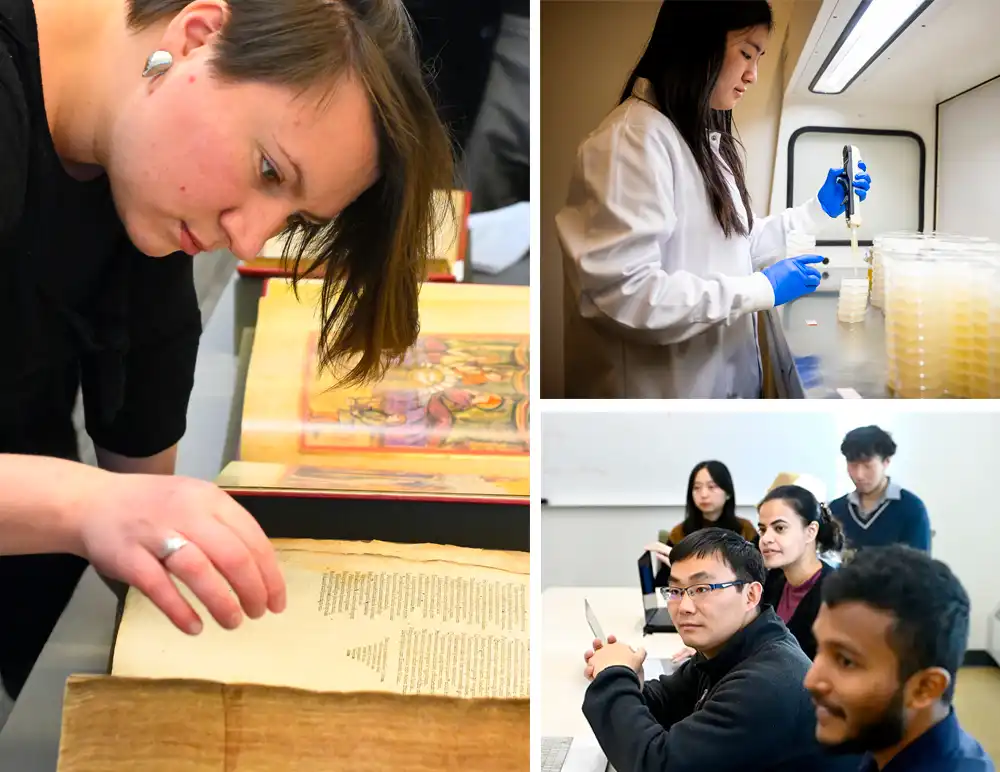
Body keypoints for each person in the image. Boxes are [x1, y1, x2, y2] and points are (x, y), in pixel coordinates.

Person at [0, 0, 453, 700]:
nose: (248, 240)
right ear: (198, 36)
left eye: (293, 216)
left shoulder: (146, 189)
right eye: (270, 170)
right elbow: (114, 503)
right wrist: (85, 506)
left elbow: (145, 477)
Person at [555, 0, 873, 399]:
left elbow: (737, 244)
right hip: (656, 401)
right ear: (697, 44)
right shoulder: (631, 142)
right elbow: (627, 295)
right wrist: (761, 289)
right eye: (746, 53)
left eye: (759, 58)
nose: (753, 75)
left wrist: (818, 210)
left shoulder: (698, 139)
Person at [581, 528, 859, 772]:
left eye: (702, 589)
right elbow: (668, 702)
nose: (685, 606)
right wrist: (630, 680)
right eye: (675, 591)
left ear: (751, 595)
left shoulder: (765, 682)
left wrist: (614, 676)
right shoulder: (730, 647)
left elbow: (657, 764)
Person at [806, 546, 993, 771]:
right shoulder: (885, 744)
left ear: (925, 688)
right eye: (819, 648)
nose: (811, 680)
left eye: (846, 661)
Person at [758, 484, 846, 660]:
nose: (766, 539)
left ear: (810, 532)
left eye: (779, 528)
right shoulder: (772, 580)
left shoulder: (837, 594)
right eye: (762, 529)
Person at [648, 461, 756, 587]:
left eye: (712, 487)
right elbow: (663, 584)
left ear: (728, 493)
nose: (703, 494)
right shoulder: (679, 533)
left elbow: (756, 576)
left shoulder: (745, 530)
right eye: (697, 488)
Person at [828, 427, 930, 552]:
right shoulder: (836, 509)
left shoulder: (911, 508)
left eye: (868, 466)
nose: (859, 475)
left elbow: (920, 566)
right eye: (853, 465)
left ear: (886, 462)